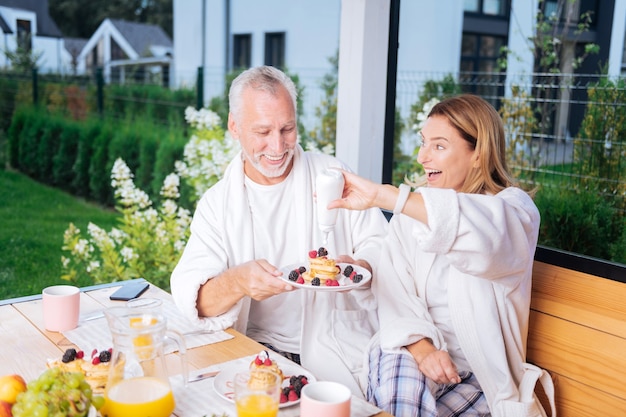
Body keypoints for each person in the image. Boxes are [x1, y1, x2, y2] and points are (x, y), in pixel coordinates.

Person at [329, 94, 555, 416]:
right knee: (403, 401)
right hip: (411, 350)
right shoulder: (413, 214)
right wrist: (423, 350)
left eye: (438, 146)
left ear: (478, 154)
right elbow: (395, 291)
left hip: (478, 377)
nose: (422, 157)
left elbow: (483, 236)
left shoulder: (514, 213)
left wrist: (384, 195)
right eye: (423, 143)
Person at [170, 65, 388, 398]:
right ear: (234, 126)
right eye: (262, 132)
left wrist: (361, 268)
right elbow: (196, 301)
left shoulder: (332, 175)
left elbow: (381, 247)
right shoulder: (218, 204)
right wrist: (238, 281)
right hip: (256, 352)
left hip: (338, 347)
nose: (277, 146)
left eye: (287, 128)